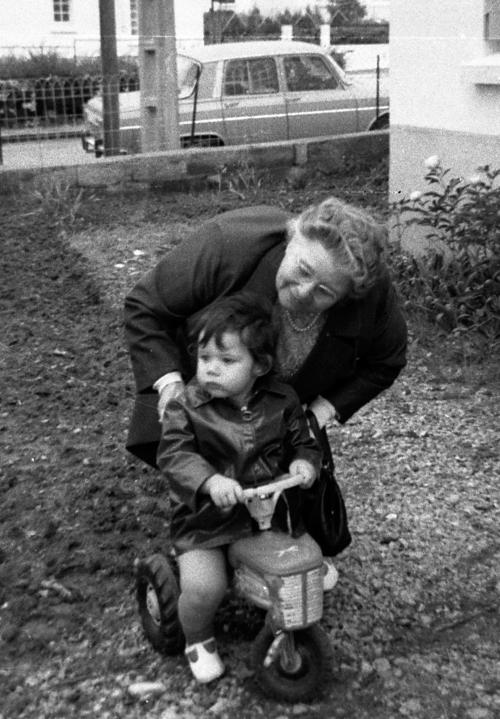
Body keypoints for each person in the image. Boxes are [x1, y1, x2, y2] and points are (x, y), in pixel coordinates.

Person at [124, 196, 407, 468]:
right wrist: (169, 385)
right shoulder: (229, 242)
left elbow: (386, 362)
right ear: (292, 237)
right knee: (204, 497)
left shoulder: (369, 292)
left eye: (324, 292)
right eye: (303, 270)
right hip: (200, 404)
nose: (303, 293)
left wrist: (316, 415)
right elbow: (147, 305)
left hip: (277, 424)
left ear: (345, 297)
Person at [157, 292, 321, 683]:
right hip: (206, 520)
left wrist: (304, 461)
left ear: (260, 365)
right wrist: (210, 481)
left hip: (265, 513)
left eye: (227, 361)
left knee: (299, 565)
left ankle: (289, 616)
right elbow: (174, 455)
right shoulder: (188, 406)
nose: (211, 369)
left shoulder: (282, 400)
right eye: (204, 358)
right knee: (204, 589)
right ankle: (196, 637)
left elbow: (304, 440)